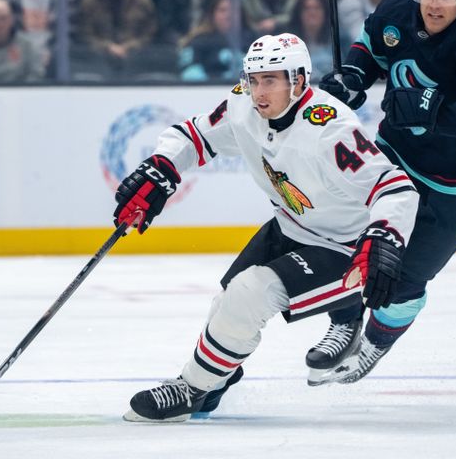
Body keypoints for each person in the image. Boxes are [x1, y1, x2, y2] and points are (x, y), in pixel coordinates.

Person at [114, 32, 419, 421]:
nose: (259, 91)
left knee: (247, 295)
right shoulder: (243, 104)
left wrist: (385, 237)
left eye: (271, 80)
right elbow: (194, 135)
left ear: (299, 81)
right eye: (254, 79)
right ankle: (214, 384)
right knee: (226, 303)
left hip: (344, 248)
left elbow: (394, 187)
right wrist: (161, 166)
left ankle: (190, 389)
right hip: (290, 225)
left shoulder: (330, 129)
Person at [304, 0, 456, 385]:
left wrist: (434, 108)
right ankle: (343, 321)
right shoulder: (396, 10)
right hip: (397, 153)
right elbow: (370, 51)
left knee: (406, 276)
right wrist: (352, 77)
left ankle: (373, 345)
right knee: (344, 230)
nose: (435, 2)